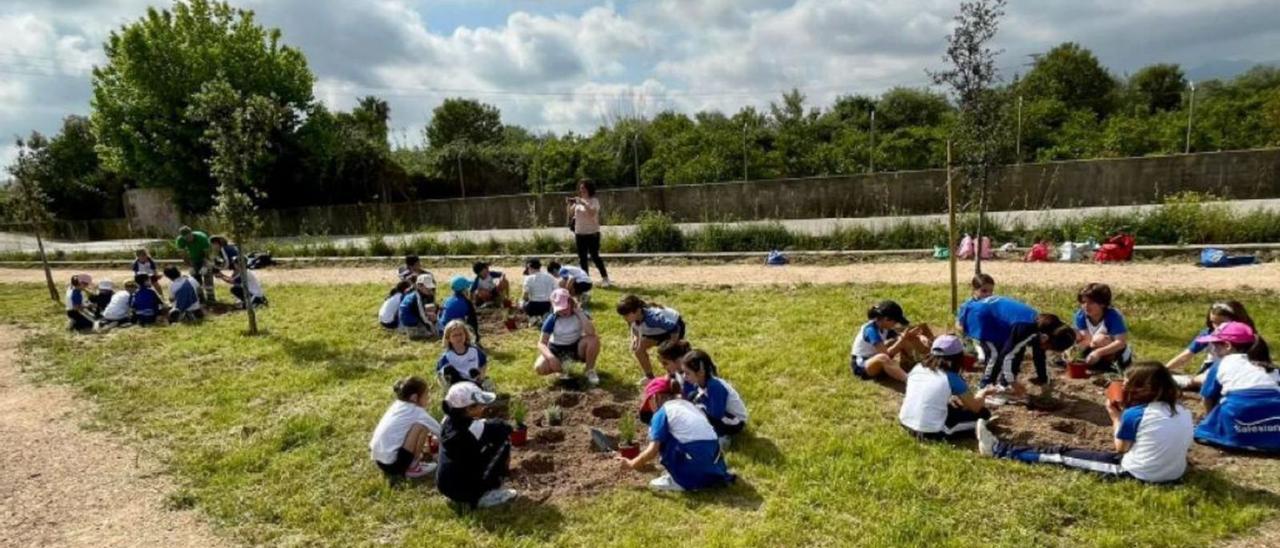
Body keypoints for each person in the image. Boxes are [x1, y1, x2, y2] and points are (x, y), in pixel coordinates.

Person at [977, 362, 1194, 483]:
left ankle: (999, 449)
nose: (1123, 387)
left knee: (1060, 454)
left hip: (1140, 473)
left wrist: (1115, 417)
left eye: (1127, 384)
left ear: (1140, 389)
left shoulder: (1136, 414)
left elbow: (1121, 449)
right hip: (1175, 471)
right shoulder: (1183, 411)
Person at [620, 377, 735, 492]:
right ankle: (691, 473)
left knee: (662, 437)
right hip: (716, 471)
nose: (650, 408)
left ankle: (679, 480)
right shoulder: (690, 407)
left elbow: (653, 450)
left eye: (649, 402)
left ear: (656, 397)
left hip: (695, 475)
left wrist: (631, 464)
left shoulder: (662, 412)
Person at [956, 296, 1077, 395]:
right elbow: (1007, 355)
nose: (1047, 349)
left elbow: (1039, 355)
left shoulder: (1043, 327)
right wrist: (1014, 383)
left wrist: (1043, 380)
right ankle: (985, 387)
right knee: (996, 353)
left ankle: (1004, 384)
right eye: (1050, 347)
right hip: (981, 315)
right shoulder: (1025, 328)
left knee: (1017, 349)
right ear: (1046, 338)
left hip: (998, 317)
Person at [1193, 322, 1280, 453]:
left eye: (1215, 345)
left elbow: (1207, 397)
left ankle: (1234, 438)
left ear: (1227, 346)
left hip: (1238, 420)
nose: (1212, 349)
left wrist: (1210, 419)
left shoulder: (1222, 363)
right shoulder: (1270, 367)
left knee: (1202, 430)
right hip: (1274, 422)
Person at [437, 381, 517, 508]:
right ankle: (487, 492)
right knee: (504, 440)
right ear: (469, 409)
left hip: (445, 485)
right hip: (465, 491)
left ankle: (469, 491)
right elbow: (505, 427)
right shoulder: (474, 428)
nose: (484, 406)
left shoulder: (447, 421)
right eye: (480, 404)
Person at [899, 335, 994, 440]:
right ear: (958, 357)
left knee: (953, 407)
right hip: (931, 431)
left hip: (905, 422)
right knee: (984, 415)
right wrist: (983, 393)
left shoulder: (917, 368)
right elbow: (975, 408)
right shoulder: (952, 378)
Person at [1167, 301, 1271, 389]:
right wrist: (1165, 369)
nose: (1216, 327)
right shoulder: (1209, 333)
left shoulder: (1248, 337)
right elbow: (1186, 354)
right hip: (1212, 370)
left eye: (1221, 323)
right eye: (1213, 322)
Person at [369, 376, 441, 485]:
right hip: (394, 466)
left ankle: (411, 461)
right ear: (414, 397)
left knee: (416, 425)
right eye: (426, 394)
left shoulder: (397, 405)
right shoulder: (417, 412)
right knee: (422, 426)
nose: (429, 397)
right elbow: (441, 432)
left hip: (379, 461)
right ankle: (413, 467)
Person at [850, 300, 932, 382]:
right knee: (883, 357)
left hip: (876, 358)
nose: (896, 324)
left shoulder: (884, 327)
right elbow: (885, 355)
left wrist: (920, 336)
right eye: (895, 321)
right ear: (886, 319)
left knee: (904, 339)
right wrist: (901, 340)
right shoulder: (871, 331)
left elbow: (902, 334)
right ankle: (910, 380)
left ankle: (918, 361)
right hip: (863, 366)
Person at [679, 349, 748, 444]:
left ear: (700, 373)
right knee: (693, 401)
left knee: (698, 411)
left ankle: (722, 438)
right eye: (683, 372)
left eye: (687, 373)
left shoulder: (715, 386)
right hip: (722, 414)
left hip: (735, 422)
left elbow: (716, 414)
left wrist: (700, 406)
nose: (684, 376)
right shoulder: (700, 381)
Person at [534, 289, 601, 386]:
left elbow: (591, 332)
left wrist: (579, 313)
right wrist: (551, 358)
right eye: (559, 309)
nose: (562, 311)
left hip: (576, 347)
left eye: (565, 307)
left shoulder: (580, 314)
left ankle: (589, 370)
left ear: (571, 302)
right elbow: (541, 343)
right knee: (539, 368)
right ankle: (560, 370)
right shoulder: (552, 319)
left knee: (593, 340)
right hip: (557, 349)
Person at [616, 295, 685, 381]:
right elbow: (634, 328)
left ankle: (677, 375)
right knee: (638, 350)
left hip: (673, 328)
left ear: (637, 311)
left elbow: (675, 327)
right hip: (656, 331)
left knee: (669, 354)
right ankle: (650, 377)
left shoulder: (652, 319)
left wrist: (673, 343)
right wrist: (635, 339)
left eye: (626, 315)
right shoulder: (632, 318)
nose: (624, 318)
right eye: (623, 315)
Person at [1074, 283, 1133, 371]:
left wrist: (1098, 353)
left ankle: (1112, 366)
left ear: (1103, 304)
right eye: (1083, 302)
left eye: (1091, 302)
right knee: (1076, 336)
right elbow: (1086, 338)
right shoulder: (1081, 315)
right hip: (1093, 347)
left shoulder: (1113, 316)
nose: (1086, 306)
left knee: (1099, 339)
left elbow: (1120, 342)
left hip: (1115, 353)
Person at [568, 178, 611, 288]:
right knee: (582, 258)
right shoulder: (578, 202)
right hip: (579, 233)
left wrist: (583, 203)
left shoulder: (594, 201)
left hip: (592, 233)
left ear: (589, 189)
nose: (581, 190)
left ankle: (605, 278)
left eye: (584, 188)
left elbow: (592, 213)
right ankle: (585, 279)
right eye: (580, 188)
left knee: (595, 256)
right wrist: (570, 204)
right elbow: (570, 213)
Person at [438, 320, 489, 387]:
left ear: (466, 334)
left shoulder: (474, 351)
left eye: (460, 334)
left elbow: (483, 363)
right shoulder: (446, 356)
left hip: (475, 383)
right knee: (448, 369)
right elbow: (440, 376)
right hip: (457, 386)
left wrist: (481, 376)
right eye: (455, 335)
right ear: (448, 338)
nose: (458, 338)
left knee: (487, 383)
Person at [175, 226, 216, 303]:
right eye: (186, 238)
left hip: (204, 258)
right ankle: (200, 298)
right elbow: (183, 255)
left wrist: (205, 266)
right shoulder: (180, 241)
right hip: (193, 259)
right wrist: (190, 266)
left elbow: (207, 254)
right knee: (196, 280)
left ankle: (211, 298)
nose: (188, 239)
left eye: (189, 237)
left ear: (191, 233)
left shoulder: (202, 238)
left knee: (208, 278)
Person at [439, 276, 480, 346]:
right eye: (467, 288)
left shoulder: (447, 299)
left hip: (443, 330)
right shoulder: (466, 302)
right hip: (454, 331)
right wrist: (476, 337)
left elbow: (441, 314)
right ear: (464, 290)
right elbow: (473, 322)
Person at [398, 274, 439, 340]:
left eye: (431, 287)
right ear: (419, 286)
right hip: (410, 323)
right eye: (427, 287)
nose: (430, 289)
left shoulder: (421, 293)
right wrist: (431, 326)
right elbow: (422, 315)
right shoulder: (416, 298)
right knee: (430, 334)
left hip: (415, 316)